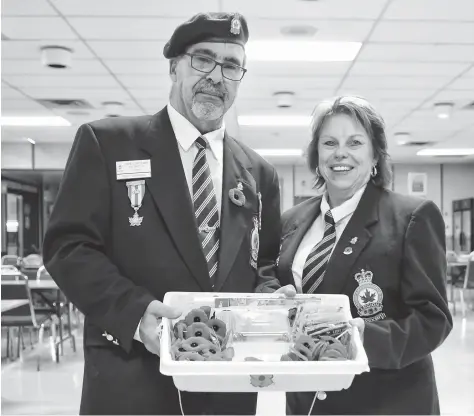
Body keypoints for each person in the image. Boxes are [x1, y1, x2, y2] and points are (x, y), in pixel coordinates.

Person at [43, 12, 293, 415]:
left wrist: (268, 299)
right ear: (174, 66)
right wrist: (134, 310)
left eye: (231, 65)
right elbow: (68, 247)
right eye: (203, 59)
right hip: (131, 377)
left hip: (225, 386)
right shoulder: (108, 145)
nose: (217, 75)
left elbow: (261, 265)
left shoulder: (259, 174)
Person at [275, 96, 453, 415]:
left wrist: (361, 339)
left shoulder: (412, 217)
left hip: (384, 400)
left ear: (375, 156)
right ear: (316, 156)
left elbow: (433, 319)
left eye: (355, 142)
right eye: (329, 142)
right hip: (307, 401)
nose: (340, 152)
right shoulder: (291, 221)